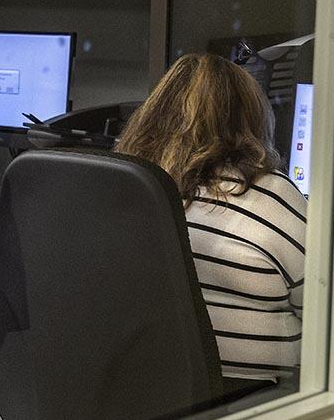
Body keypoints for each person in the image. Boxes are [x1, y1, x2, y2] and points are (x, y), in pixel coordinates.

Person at [114, 53, 307, 389]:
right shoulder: (270, 194)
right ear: (249, 122)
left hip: (140, 395)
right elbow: (326, 311)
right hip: (246, 403)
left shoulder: (128, 188)